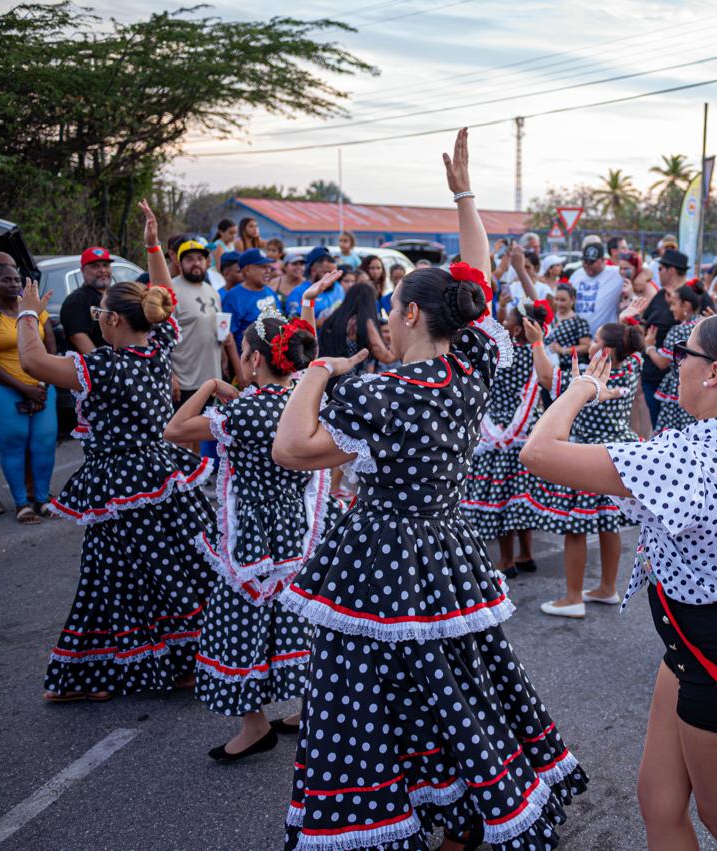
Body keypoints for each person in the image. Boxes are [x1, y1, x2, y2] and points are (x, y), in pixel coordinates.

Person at [272, 130, 585, 850]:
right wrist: (463, 193)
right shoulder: (466, 371)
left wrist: (318, 372)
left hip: (380, 559)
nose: (385, 312)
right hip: (447, 551)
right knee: (453, 686)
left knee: (363, 698)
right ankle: (478, 809)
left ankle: (382, 823)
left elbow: (292, 448)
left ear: (411, 314)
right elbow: (472, 282)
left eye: (391, 304)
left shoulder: (384, 391)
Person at [521, 169, 717, 848]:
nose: (672, 359)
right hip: (698, 637)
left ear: (713, 374)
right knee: (658, 802)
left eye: (685, 352)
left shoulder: (679, 457)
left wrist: (583, 387)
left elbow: (538, 450)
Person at [21, 199, 215, 701]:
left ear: (110, 323)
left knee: (123, 576)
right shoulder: (157, 346)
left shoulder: (106, 367)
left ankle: (97, 675)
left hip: (124, 481)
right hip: (157, 474)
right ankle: (175, 662)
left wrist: (26, 310)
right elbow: (164, 298)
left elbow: (33, 361)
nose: (98, 316)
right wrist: (152, 245)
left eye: (100, 313)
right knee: (172, 566)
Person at [164, 304, 328, 762]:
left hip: (253, 534)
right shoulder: (307, 403)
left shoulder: (244, 413)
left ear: (255, 359)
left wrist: (215, 386)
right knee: (300, 618)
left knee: (243, 622)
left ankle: (255, 725)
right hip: (301, 526)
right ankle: (307, 709)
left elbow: (175, 429)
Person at [524, 319, 644, 618]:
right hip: (616, 455)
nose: (590, 343)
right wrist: (627, 318)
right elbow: (636, 347)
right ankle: (606, 588)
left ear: (605, 350)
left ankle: (573, 597)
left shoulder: (587, 382)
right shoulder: (630, 368)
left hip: (585, 455)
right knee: (608, 524)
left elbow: (545, 375)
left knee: (576, 528)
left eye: (596, 339)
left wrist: (537, 342)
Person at [460, 284, 555, 579]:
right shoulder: (537, 354)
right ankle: (526, 554)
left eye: (509, 321)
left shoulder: (505, 355)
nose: (504, 324)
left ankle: (506, 559)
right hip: (529, 430)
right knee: (520, 495)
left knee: (501, 497)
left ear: (519, 328)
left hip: (501, 430)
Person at [0, 259, 58, 524]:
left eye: (17, 280)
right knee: (13, 443)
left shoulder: (34, 311)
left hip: (40, 385)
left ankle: (42, 499)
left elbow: (50, 345)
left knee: (43, 442)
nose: (14, 284)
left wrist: (41, 385)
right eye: (7, 280)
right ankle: (21, 503)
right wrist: (24, 389)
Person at [169, 238, 243, 411]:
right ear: (179, 263)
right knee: (184, 436)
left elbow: (217, 330)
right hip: (185, 381)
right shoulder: (171, 291)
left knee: (206, 432)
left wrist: (225, 358)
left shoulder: (212, 291)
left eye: (200, 259)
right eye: (190, 259)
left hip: (212, 380)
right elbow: (159, 339)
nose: (196, 263)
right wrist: (171, 376)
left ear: (206, 262)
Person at [645, 284, 711, 433]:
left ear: (686, 305)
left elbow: (662, 363)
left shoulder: (678, 330)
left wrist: (649, 347)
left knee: (676, 434)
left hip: (682, 387)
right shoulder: (707, 324)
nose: (671, 309)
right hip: (705, 386)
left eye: (674, 304)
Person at [639, 248, 690, 424]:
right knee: (658, 427)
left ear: (672, 270)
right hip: (652, 375)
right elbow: (644, 323)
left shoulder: (694, 295)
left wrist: (651, 346)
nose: (657, 273)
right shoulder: (660, 295)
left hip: (680, 382)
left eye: (660, 269)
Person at [60, 247, 113, 354]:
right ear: (83, 271)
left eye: (105, 265)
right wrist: (100, 364)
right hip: (91, 367)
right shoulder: (77, 300)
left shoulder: (112, 296)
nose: (103, 270)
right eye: (95, 266)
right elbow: (78, 336)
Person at [569, 241, 625, 333]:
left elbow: (642, 271)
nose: (587, 265)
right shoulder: (576, 275)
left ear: (603, 260)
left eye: (591, 262)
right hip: (579, 339)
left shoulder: (616, 274)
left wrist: (645, 275)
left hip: (604, 339)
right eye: (585, 261)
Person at [282, 246, 343, 321]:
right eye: (326, 273)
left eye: (334, 273)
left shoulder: (338, 287)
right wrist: (321, 323)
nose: (331, 278)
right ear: (313, 271)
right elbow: (294, 320)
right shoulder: (299, 292)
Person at [544, 283, 592, 369]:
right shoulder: (551, 318)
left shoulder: (579, 321)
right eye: (556, 299)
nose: (558, 303)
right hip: (551, 366)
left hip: (570, 368)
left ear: (572, 299)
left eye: (563, 300)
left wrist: (563, 350)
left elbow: (586, 347)